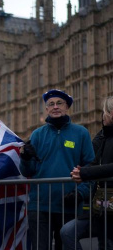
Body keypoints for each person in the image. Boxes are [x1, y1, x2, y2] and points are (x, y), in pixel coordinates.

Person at [19, 89, 95, 250]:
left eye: (59, 103)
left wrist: (79, 193)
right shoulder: (37, 135)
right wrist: (25, 159)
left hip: (69, 204)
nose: (55, 107)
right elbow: (28, 171)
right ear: (46, 109)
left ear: (67, 106)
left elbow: (91, 169)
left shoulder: (81, 133)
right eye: (51, 104)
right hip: (40, 206)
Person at [60, 96, 113, 250]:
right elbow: (91, 159)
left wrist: (85, 173)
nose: (102, 116)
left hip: (109, 205)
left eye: (104, 113)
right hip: (101, 205)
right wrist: (78, 171)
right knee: (68, 232)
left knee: (107, 243)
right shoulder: (104, 135)